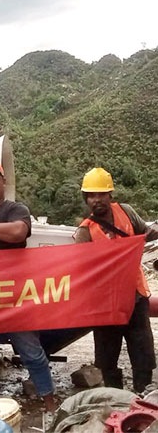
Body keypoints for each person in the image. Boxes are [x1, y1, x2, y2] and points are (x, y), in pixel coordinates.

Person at [0, 161, 57, 412]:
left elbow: (18, 233)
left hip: (16, 300)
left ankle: (50, 405)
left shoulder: (15, 209)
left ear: (3, 182)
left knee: (32, 354)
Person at [74, 167, 157, 392]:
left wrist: (152, 233)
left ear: (110, 194)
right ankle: (115, 396)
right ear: (86, 198)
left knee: (142, 352)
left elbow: (145, 233)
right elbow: (81, 269)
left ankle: (143, 392)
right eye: (91, 195)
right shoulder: (84, 232)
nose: (96, 200)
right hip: (105, 303)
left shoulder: (126, 212)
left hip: (135, 295)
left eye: (101, 194)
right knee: (107, 356)